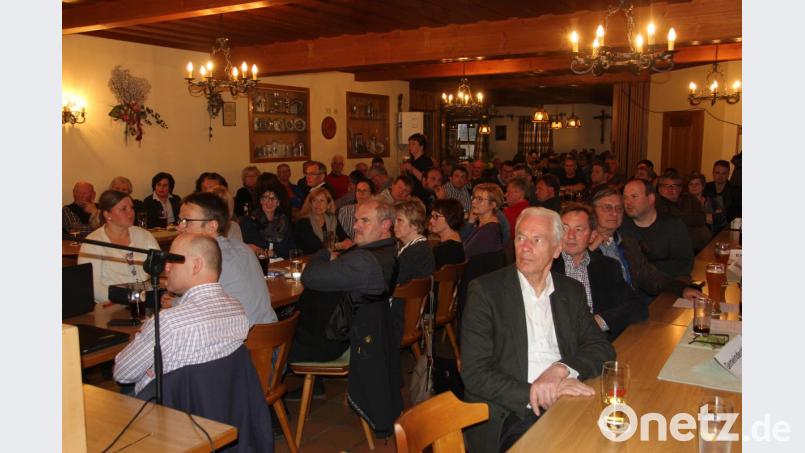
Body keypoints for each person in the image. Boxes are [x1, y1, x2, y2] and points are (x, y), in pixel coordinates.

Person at [461, 207, 615, 453]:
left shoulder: (570, 291)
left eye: (537, 240)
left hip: (566, 396)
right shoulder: (486, 292)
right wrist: (536, 391)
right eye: (520, 237)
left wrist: (560, 370)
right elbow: (475, 373)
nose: (525, 247)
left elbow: (601, 347)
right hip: (513, 411)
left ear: (556, 249)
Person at [290, 199, 402, 436]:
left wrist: (323, 253)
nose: (356, 226)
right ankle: (312, 385)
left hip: (335, 343)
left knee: (266, 340)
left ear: (386, 225)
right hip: (356, 333)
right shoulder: (386, 250)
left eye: (365, 220)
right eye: (356, 220)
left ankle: (267, 413)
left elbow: (310, 277)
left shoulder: (364, 261)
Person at [113, 233, 249, 395]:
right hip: (218, 405)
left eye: (172, 260)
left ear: (196, 265)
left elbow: (122, 374)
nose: (166, 267)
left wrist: (144, 339)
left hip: (168, 411)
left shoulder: (168, 323)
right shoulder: (237, 310)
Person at [177, 192, 277, 326]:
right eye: (179, 220)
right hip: (271, 337)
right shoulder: (242, 247)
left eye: (186, 221)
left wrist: (172, 302)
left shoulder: (207, 259)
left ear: (212, 226)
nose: (179, 227)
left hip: (242, 343)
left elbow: (187, 310)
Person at [588, 188, 703, 301]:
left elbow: (648, 275)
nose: (614, 213)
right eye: (607, 208)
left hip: (632, 306)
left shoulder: (627, 243)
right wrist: (589, 250)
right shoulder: (583, 245)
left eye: (619, 209)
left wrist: (681, 289)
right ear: (592, 211)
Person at [552, 204, 646, 339]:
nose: (570, 236)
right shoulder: (546, 266)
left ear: (592, 236)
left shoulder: (607, 266)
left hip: (598, 342)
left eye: (579, 229)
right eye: (564, 228)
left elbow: (637, 306)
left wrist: (600, 321)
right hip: (559, 343)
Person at [78, 190, 160, 303]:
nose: (130, 213)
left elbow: (159, 269)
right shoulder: (93, 242)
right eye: (123, 209)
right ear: (107, 214)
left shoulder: (144, 235)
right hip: (112, 306)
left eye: (131, 208)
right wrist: (131, 298)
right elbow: (93, 287)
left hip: (147, 300)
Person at [619, 179, 694, 279]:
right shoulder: (620, 226)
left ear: (650, 199)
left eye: (634, 196)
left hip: (667, 286)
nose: (628, 202)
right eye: (625, 197)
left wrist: (645, 269)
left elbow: (685, 264)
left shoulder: (672, 225)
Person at [655, 172, 711, 252]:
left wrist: (681, 218)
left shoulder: (689, 199)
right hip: (672, 249)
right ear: (659, 189)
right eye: (666, 186)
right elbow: (669, 220)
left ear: (680, 189)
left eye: (674, 186)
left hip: (699, 247)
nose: (670, 189)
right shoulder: (656, 202)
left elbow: (701, 218)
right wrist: (689, 219)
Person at [241, 184, 294, 259]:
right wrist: (271, 251)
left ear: (278, 203)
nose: (269, 201)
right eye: (265, 198)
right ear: (261, 201)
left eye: (274, 198)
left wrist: (272, 252)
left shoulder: (284, 220)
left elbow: (291, 248)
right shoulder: (249, 221)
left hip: (283, 262)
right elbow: (253, 247)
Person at [295, 187, 348, 255]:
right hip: (308, 260)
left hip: (329, 258)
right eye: (314, 200)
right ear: (311, 204)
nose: (318, 204)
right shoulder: (303, 222)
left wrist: (347, 241)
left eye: (322, 201)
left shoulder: (332, 219)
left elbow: (344, 237)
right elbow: (317, 247)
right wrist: (339, 245)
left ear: (328, 205)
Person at [463, 183, 505, 260]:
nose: (473, 202)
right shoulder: (482, 224)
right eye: (474, 198)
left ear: (493, 205)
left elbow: (464, 254)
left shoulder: (490, 230)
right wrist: (471, 221)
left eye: (479, 199)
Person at [704, 160, 741, 233]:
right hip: (707, 226)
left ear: (728, 174)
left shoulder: (736, 190)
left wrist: (724, 213)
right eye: (717, 173)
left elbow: (739, 211)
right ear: (713, 173)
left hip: (727, 228)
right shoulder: (705, 187)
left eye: (724, 173)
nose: (720, 176)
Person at [428, 198, 466, 269]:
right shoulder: (460, 244)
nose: (431, 220)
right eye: (431, 216)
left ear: (450, 218)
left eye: (436, 216)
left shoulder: (443, 250)